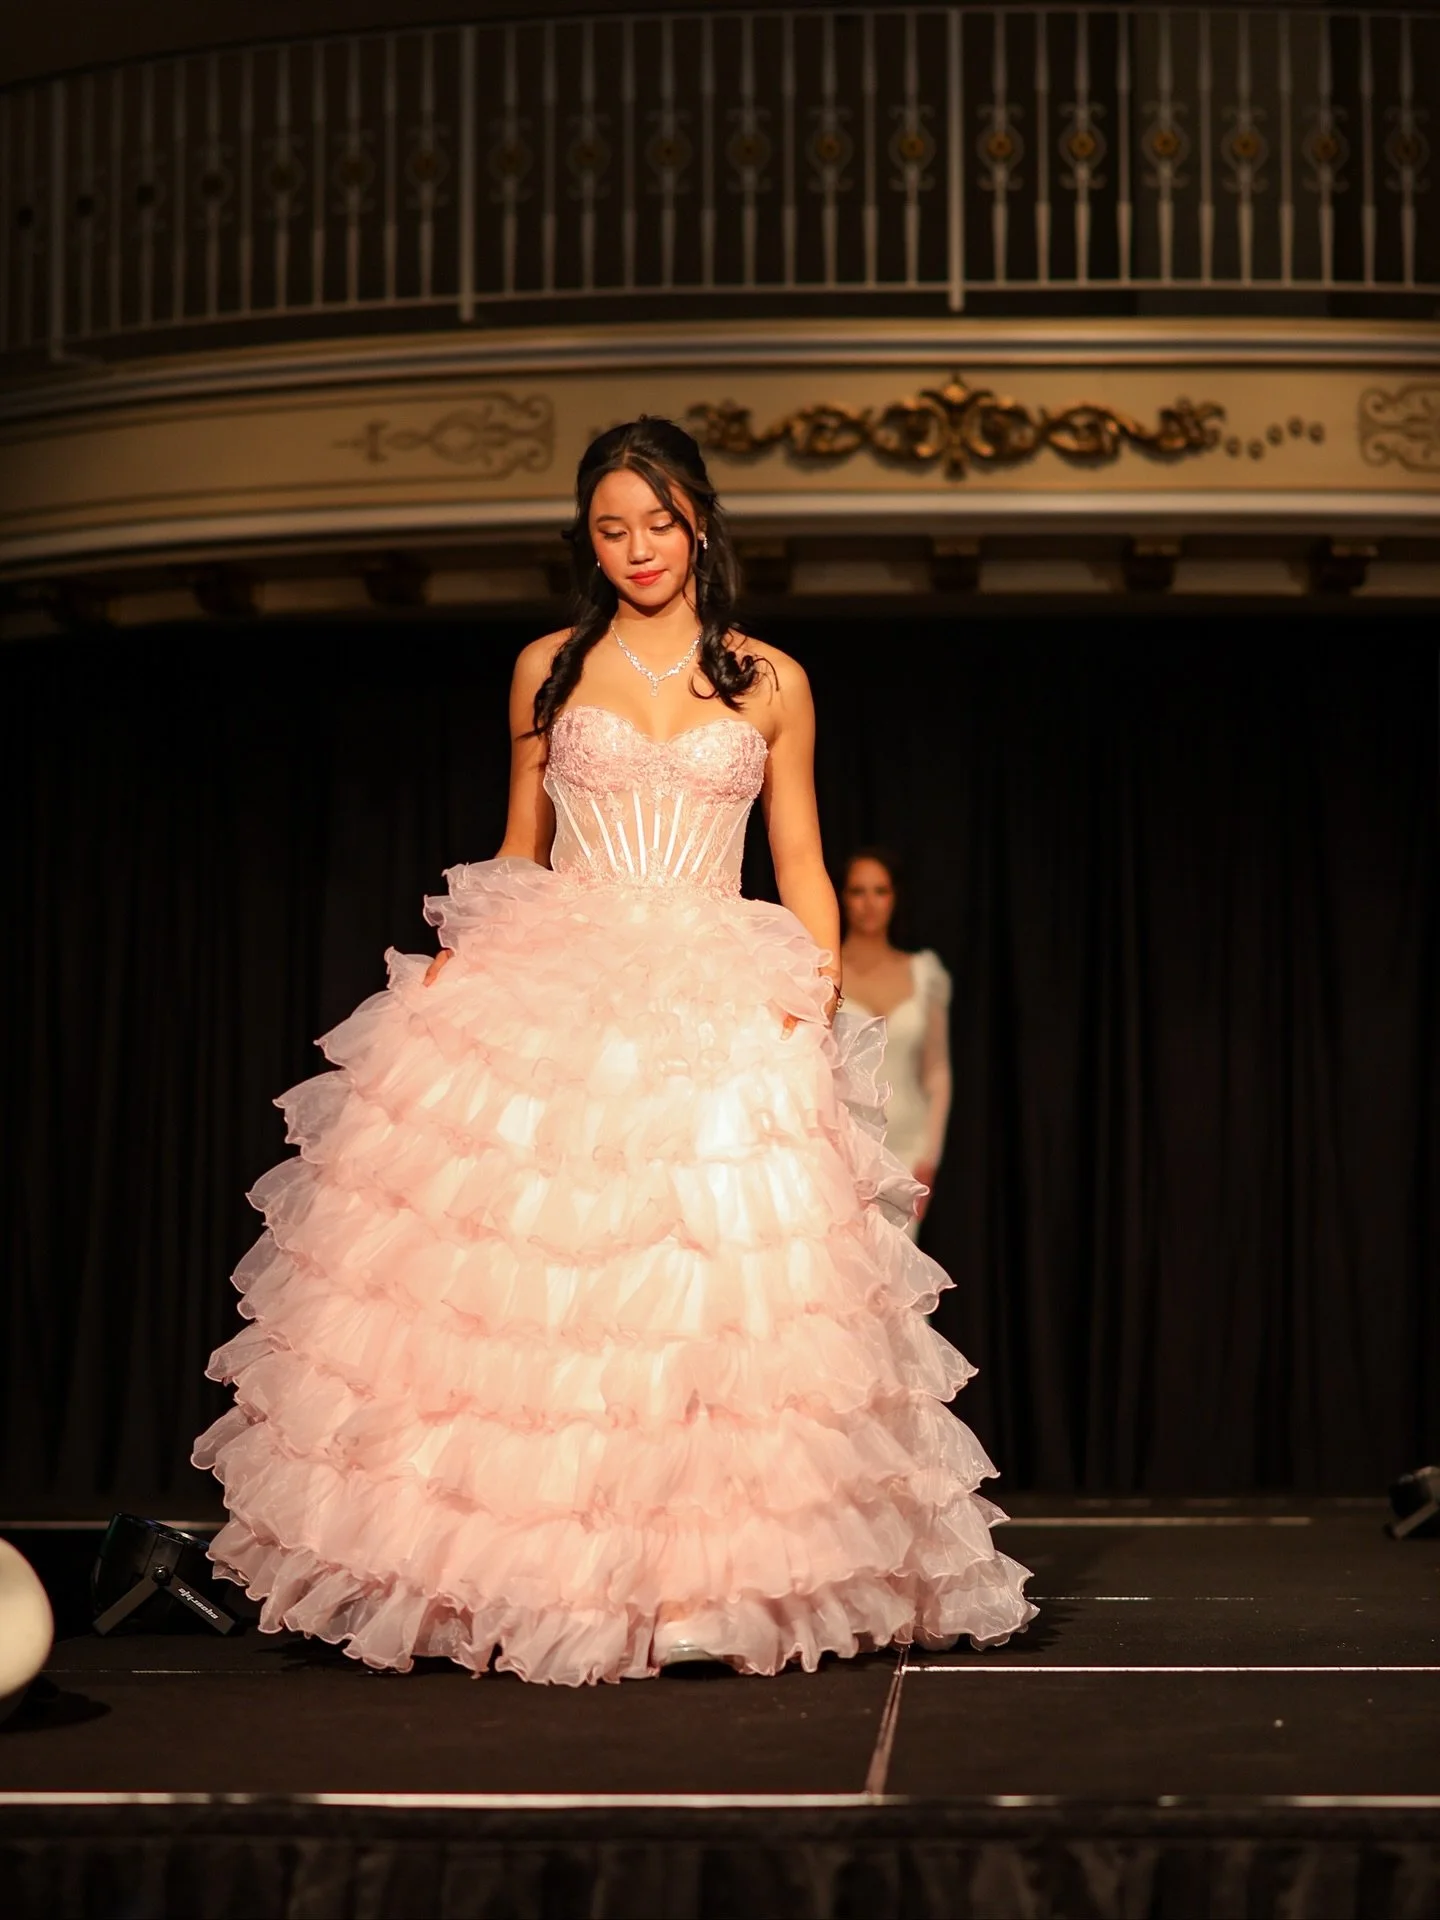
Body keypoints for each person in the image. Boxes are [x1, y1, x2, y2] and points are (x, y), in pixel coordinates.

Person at [192, 415, 1035, 1684]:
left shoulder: (770, 678)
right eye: (610, 528)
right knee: (535, 1302)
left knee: (709, 1298)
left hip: (714, 986)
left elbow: (801, 866)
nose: (638, 548)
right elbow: (520, 842)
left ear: (699, 519)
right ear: (587, 541)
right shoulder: (547, 664)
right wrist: (457, 988)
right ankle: (520, 1578)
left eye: (656, 521)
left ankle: (701, 1589)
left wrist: (803, 1004)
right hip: (557, 981)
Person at [840, 852, 952, 1240]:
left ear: (894, 897)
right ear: (841, 896)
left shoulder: (923, 974)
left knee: (895, 1281)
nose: (869, 903)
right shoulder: (825, 970)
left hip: (907, 1148)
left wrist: (929, 1157)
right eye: (858, 891)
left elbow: (936, 1071)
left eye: (880, 891)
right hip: (843, 1147)